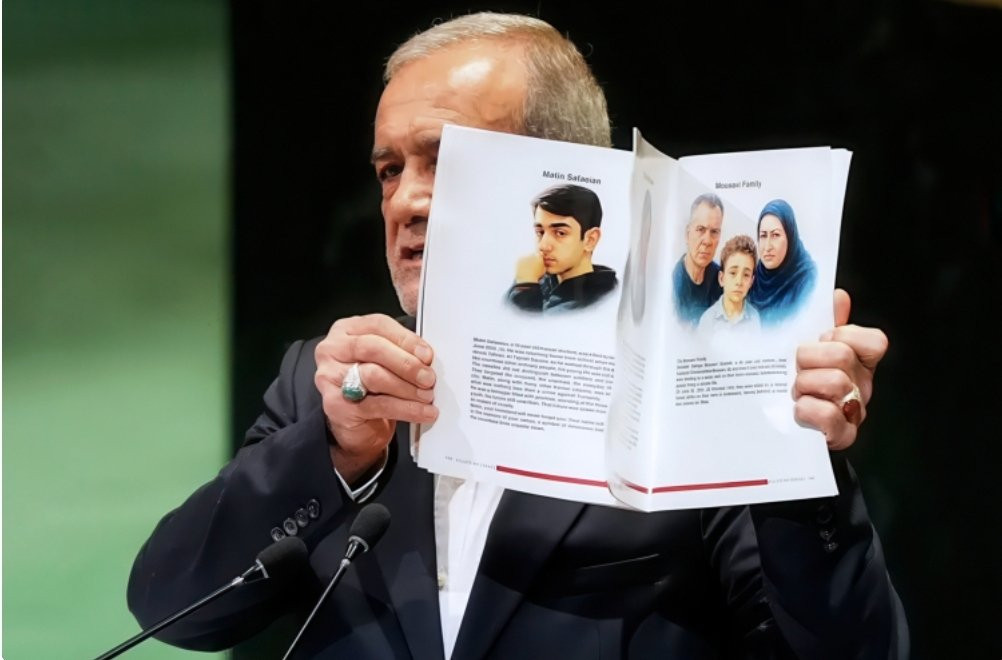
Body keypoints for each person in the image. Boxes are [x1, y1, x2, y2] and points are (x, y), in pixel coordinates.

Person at [127, 12, 906, 659]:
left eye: (444, 160)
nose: (406, 202)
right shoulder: (327, 389)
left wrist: (800, 458)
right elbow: (174, 609)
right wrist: (333, 452)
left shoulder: (677, 394)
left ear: (568, 178)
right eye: (391, 170)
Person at [507, 183, 617, 313]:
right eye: (540, 232)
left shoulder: (596, 304)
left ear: (590, 240)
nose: (543, 246)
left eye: (560, 233)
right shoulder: (535, 278)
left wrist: (526, 288)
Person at [747, 199, 819, 326]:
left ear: (790, 237)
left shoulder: (808, 280)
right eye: (763, 236)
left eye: (775, 235)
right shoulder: (754, 276)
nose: (767, 247)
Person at [673, 193, 725, 326]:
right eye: (701, 229)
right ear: (687, 234)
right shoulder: (671, 284)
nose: (707, 241)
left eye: (714, 232)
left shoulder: (722, 281)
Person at [698, 234, 761, 333]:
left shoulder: (755, 319)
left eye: (746, 275)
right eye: (733, 273)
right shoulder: (707, 321)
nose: (739, 282)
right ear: (721, 278)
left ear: (751, 282)